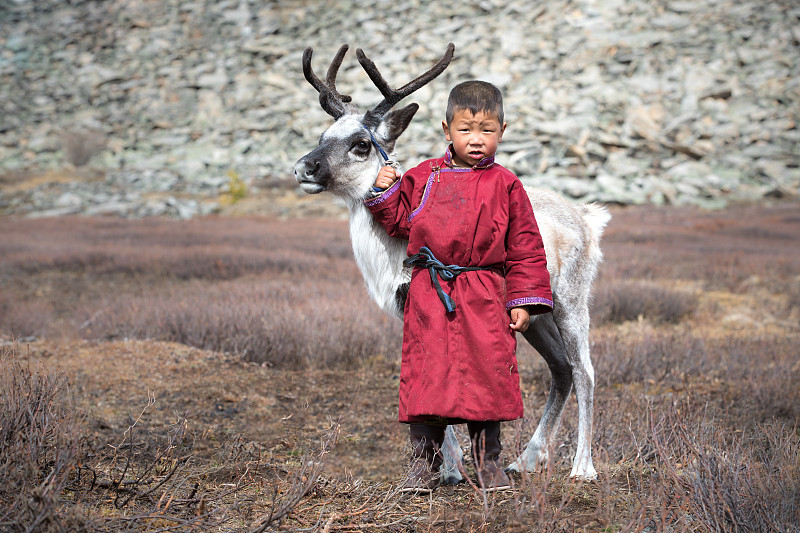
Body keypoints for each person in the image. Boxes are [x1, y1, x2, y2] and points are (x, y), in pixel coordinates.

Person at [365, 80, 553, 493]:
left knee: (488, 376)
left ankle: (488, 465)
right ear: (446, 130)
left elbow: (525, 246)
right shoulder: (423, 176)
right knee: (427, 377)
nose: (476, 139)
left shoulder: (506, 184)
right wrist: (383, 190)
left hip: (485, 293)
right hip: (431, 294)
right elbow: (398, 221)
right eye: (466, 129)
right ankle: (424, 468)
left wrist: (522, 300)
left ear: (503, 131)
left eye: (487, 130)